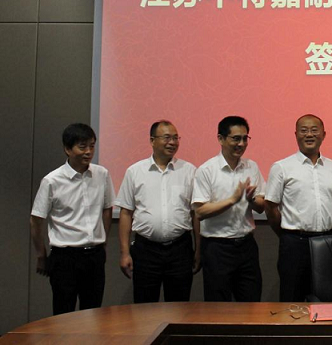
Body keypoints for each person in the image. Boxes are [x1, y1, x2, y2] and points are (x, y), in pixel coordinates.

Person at [30, 123, 115, 315]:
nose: (88, 152)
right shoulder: (52, 180)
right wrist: (41, 255)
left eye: (92, 146)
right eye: (82, 146)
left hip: (94, 255)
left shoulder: (102, 174)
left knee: (93, 313)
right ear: (67, 149)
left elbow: (107, 208)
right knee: (63, 313)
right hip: (65, 257)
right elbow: (36, 220)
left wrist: (103, 242)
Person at [116, 120, 201, 303]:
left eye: (176, 138)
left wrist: (198, 250)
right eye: (167, 138)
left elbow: (196, 214)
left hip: (180, 250)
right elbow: (126, 213)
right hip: (145, 250)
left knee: (179, 307)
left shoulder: (189, 171)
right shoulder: (135, 171)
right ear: (152, 141)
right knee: (144, 307)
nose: (172, 142)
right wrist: (124, 252)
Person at [265, 114, 332, 302]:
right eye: (304, 130)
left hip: (327, 240)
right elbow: (271, 207)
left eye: (314, 130)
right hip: (294, 243)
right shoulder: (282, 167)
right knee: (291, 298)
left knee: (326, 299)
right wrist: (285, 234)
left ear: (323, 134)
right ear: (296, 135)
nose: (309, 134)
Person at [192, 116, 266, 302]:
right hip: (217, 248)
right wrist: (232, 200)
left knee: (251, 303)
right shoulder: (207, 170)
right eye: (235, 138)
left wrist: (251, 199)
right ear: (221, 139)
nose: (241, 144)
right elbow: (200, 211)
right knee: (218, 306)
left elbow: (261, 206)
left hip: (246, 246)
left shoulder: (251, 166)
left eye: (245, 138)